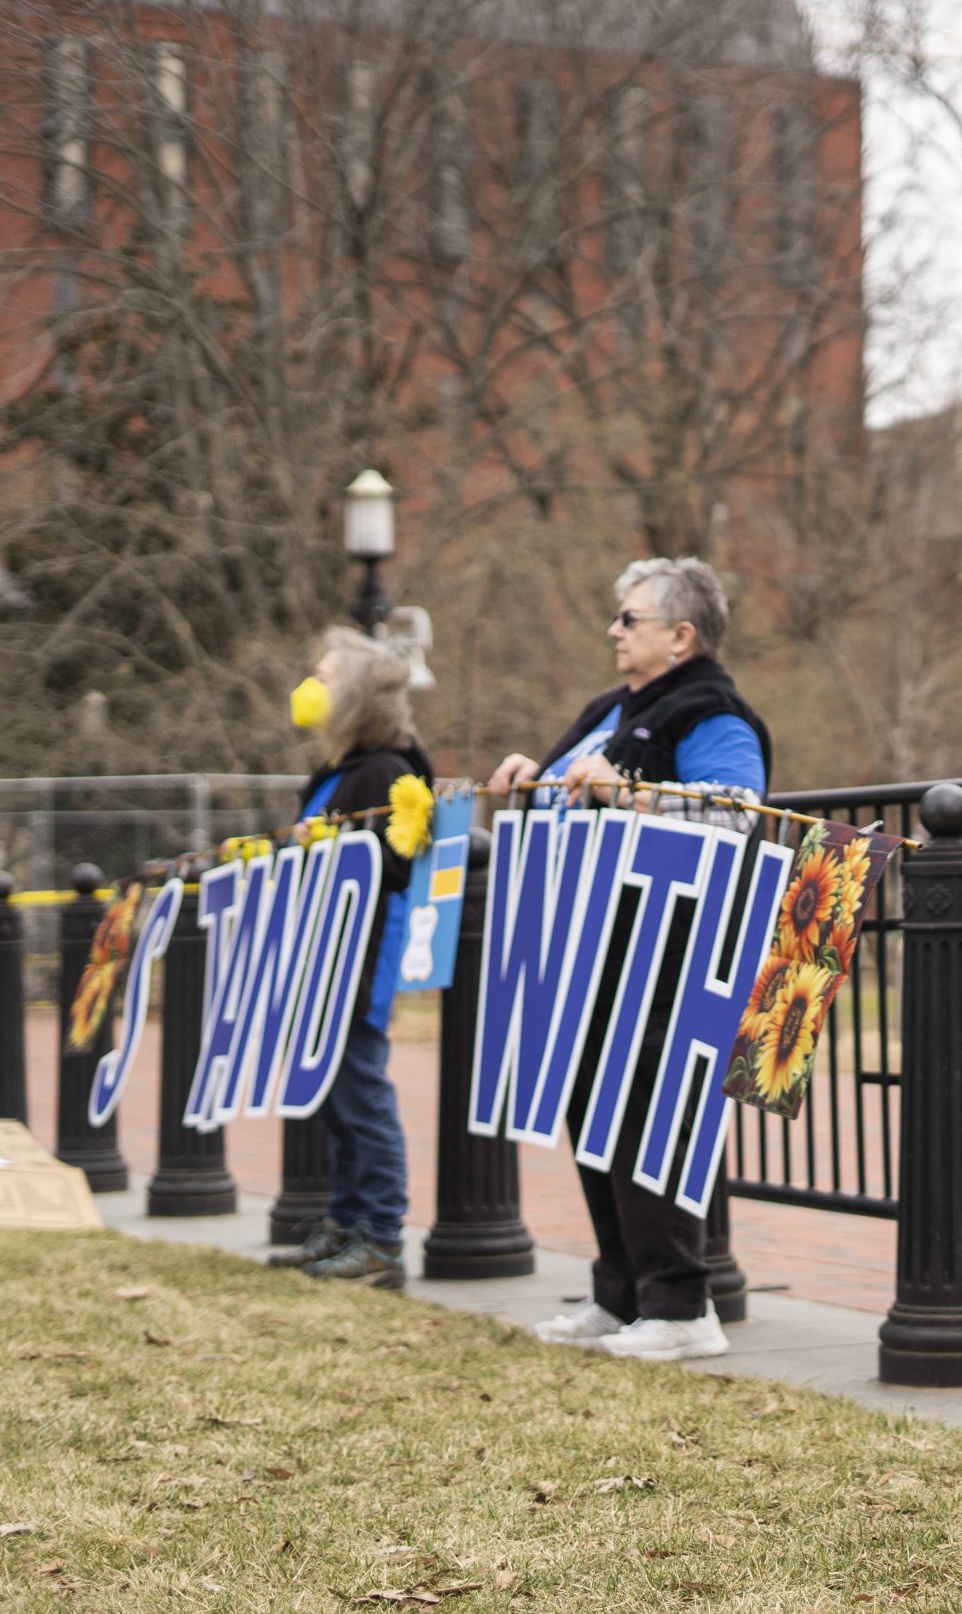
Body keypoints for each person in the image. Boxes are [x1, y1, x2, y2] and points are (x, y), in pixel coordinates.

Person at [485, 557, 773, 1363]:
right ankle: (621, 1293)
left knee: (651, 1119)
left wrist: (634, 795)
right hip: (590, 950)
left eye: (629, 619)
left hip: (666, 961)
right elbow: (569, 783)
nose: (612, 630)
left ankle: (682, 1305)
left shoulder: (713, 712)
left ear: (681, 636)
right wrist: (527, 781)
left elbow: (738, 816)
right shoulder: (611, 708)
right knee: (594, 1110)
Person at [267, 627, 434, 1289]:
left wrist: (333, 839)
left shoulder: (388, 770)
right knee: (336, 1101)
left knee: (362, 1094)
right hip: (322, 959)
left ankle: (382, 1236)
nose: (312, 687)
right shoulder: (337, 772)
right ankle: (346, 1221)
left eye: (327, 676)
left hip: (360, 964)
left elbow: (396, 863)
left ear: (359, 694)